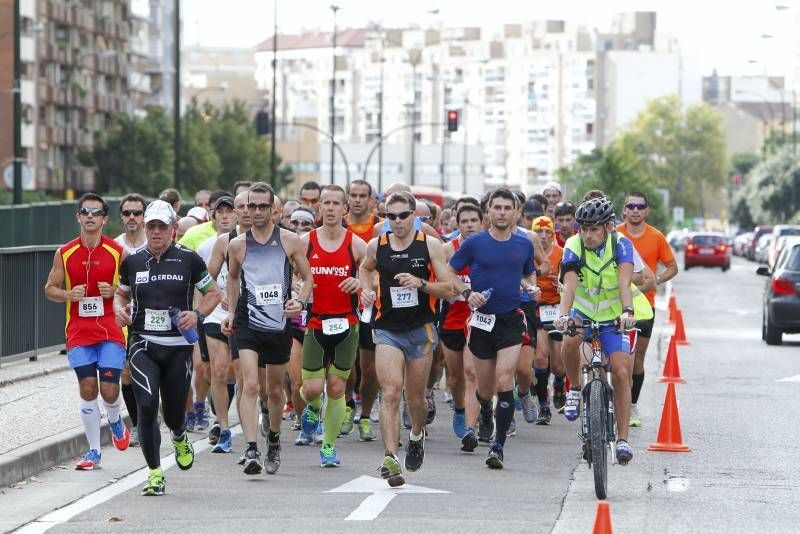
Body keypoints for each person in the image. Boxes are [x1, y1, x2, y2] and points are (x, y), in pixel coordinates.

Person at [114, 199, 221, 496]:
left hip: (176, 348)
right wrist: (120, 310)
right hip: (142, 343)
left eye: (162, 226)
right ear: (145, 228)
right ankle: (154, 473)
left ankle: (179, 434)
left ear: (174, 228)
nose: (157, 232)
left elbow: (213, 293)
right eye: (152, 226)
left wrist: (197, 315)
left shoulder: (189, 259)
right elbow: (120, 296)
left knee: (174, 413)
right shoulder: (132, 261)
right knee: (146, 407)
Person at [359, 191, 454, 487]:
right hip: (387, 329)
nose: (397, 221)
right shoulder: (378, 245)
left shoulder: (430, 246)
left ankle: (416, 434)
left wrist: (421, 283)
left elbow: (449, 288)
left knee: (416, 399)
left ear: (414, 215)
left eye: (403, 215)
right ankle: (390, 456)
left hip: (420, 330)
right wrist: (365, 290)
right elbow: (364, 268)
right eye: (391, 216)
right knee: (389, 392)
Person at [553, 197, 653, 465]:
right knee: (570, 340)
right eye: (584, 228)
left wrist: (628, 313)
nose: (588, 234)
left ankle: (622, 440)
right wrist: (563, 316)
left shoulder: (622, 245)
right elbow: (570, 286)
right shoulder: (573, 246)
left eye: (594, 229)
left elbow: (624, 283)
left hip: (613, 316)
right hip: (583, 311)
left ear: (608, 227)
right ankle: (575, 388)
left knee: (621, 372)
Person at [222, 183, 313, 476]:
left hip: (279, 323)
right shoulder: (237, 244)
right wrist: (233, 312)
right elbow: (233, 279)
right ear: (245, 208)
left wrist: (298, 301)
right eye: (251, 206)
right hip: (248, 322)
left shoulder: (289, 240)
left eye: (263, 206)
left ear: (273, 208)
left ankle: (273, 440)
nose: (256, 211)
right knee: (250, 385)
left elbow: (307, 278)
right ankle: (251, 448)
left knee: (274, 391)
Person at [448, 188, 539, 470]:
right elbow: (450, 271)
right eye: (496, 207)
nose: (501, 212)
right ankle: (485, 410)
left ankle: (498, 447)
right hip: (482, 320)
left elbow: (527, 272)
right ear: (489, 211)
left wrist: (530, 286)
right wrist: (466, 292)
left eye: (506, 208)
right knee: (485, 389)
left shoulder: (524, 244)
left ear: (515, 213)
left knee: (504, 382)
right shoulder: (475, 243)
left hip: (511, 319)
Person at [44, 193, 131, 470]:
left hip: (110, 328)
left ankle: (116, 421)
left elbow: (133, 290)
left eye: (96, 212)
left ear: (105, 219)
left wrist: (115, 290)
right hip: (79, 331)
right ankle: (93, 450)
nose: (90, 216)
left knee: (108, 390)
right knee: (87, 387)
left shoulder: (118, 253)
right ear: (78, 217)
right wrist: (69, 294)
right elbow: (49, 289)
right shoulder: (65, 252)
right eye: (85, 212)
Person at [298, 185, 367, 466]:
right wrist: (299, 290)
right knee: (313, 389)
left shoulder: (356, 244)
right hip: (316, 322)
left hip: (346, 324)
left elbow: (370, 275)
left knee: (337, 387)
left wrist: (361, 282)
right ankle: (313, 407)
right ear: (319, 208)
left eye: (335, 203)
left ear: (344, 209)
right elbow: (290, 274)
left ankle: (328, 447)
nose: (329, 208)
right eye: (325, 203)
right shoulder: (305, 242)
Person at [616, 192, 678, 427]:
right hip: (616, 305)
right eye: (630, 206)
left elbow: (673, 267)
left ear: (646, 211)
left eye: (639, 206)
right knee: (619, 359)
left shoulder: (656, 237)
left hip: (644, 306)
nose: (635, 210)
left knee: (638, 359)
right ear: (624, 209)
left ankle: (631, 405)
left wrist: (656, 282)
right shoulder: (616, 235)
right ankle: (614, 402)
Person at [196, 195, 238, 452]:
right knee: (216, 371)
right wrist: (203, 308)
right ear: (213, 215)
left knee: (239, 375)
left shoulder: (249, 243)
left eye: (229, 211)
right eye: (219, 211)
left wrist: (235, 300)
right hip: (214, 314)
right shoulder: (206, 246)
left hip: (243, 314)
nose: (224, 216)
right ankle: (222, 427)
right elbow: (202, 282)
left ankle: (254, 414)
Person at [440, 204, 483, 452]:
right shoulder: (447, 250)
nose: (468, 225)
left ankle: (470, 428)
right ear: (457, 224)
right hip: (452, 319)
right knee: (455, 378)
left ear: (481, 222)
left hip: (478, 320)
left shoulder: (489, 248)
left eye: (473, 220)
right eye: (464, 221)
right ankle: (459, 408)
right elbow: (440, 279)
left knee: (471, 373)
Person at [344, 179, 382, 441]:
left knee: (370, 369)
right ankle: (347, 406)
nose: (357, 200)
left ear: (370, 200)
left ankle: (366, 415)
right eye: (353, 195)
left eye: (362, 196)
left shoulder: (380, 226)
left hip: (373, 304)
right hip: (344, 301)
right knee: (346, 365)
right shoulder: (338, 224)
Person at [114, 193, 148, 447]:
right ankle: (137, 424)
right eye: (127, 213)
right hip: (125, 317)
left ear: (144, 216)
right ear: (121, 217)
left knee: (151, 371)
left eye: (137, 213)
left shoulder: (155, 242)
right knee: (126, 371)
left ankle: (153, 417)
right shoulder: (115, 247)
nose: (132, 217)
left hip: (153, 317)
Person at [530, 216, 565, 424]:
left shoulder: (561, 254)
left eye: (548, 233)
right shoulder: (531, 252)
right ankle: (544, 405)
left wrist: (561, 284)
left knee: (559, 365)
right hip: (537, 310)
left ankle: (559, 382)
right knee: (541, 358)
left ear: (553, 234)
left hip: (557, 309)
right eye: (539, 232)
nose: (543, 237)